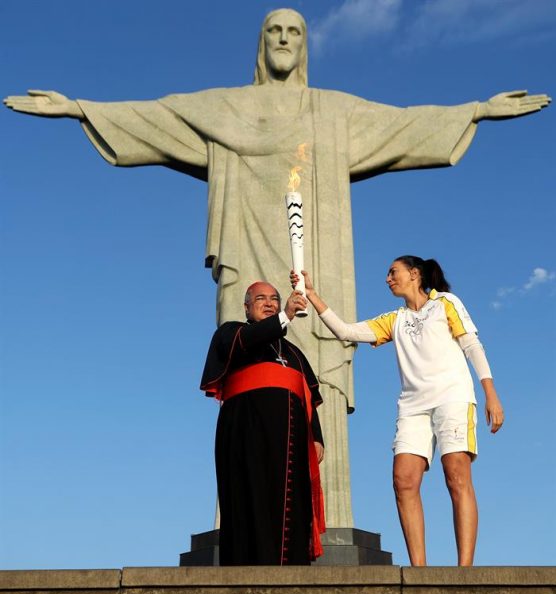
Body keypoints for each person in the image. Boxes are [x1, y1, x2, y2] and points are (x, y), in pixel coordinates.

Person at [3, 9, 547, 528]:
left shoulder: (332, 112)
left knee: (321, 378)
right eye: (274, 31)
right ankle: (239, 518)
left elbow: (403, 126)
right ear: (262, 45)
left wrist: (474, 110)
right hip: (247, 261)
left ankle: (329, 523)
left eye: (294, 31)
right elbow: (158, 115)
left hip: (318, 263)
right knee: (246, 363)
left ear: (305, 45)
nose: (284, 39)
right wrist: (79, 108)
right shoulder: (226, 108)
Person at [292, 257, 504, 567]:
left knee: (456, 475)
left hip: (453, 398)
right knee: (403, 481)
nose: (388, 279)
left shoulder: (445, 303)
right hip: (413, 406)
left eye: (394, 272)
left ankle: (465, 570)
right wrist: (311, 294)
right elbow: (346, 332)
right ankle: (419, 569)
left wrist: (490, 393)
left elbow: (472, 345)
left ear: (415, 274)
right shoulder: (395, 319)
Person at [200, 281, 325, 566]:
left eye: (275, 299)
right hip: (246, 434)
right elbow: (249, 340)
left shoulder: (293, 352)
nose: (269, 303)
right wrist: (286, 318)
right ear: (246, 306)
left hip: (291, 443)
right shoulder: (232, 332)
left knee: (292, 506)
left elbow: (307, 394)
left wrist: (316, 436)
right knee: (249, 499)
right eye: (261, 298)